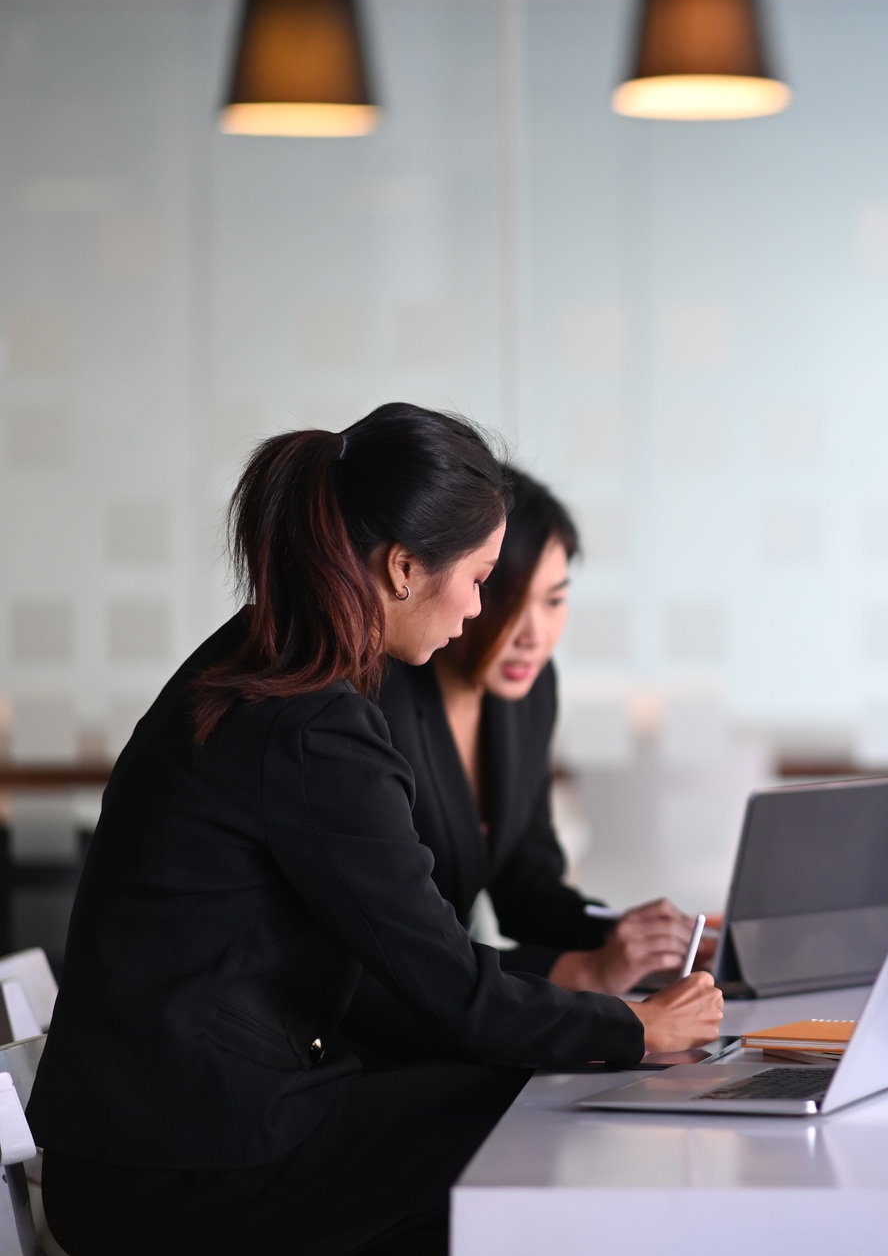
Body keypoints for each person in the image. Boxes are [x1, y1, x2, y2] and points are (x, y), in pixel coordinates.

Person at [30, 405, 725, 1255]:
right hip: (182, 1170)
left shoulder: (269, 660)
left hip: (161, 1136)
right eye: (478, 576)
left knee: (520, 1110)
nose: (480, 607)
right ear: (403, 568)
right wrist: (636, 1028)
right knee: (540, 1130)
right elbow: (447, 981)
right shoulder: (312, 726)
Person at [341, 468, 696, 1062]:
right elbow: (412, 956)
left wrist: (631, 940)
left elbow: (527, 886)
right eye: (502, 596)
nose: (534, 635)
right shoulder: (376, 701)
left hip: (452, 1006)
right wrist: (587, 974)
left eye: (554, 601)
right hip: (379, 1026)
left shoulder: (527, 695)